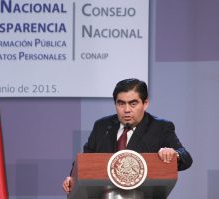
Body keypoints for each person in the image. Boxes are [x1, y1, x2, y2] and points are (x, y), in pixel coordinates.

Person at [62, 78, 193, 193]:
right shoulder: (102, 126)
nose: (126, 110)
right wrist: (72, 178)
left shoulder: (161, 127)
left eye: (133, 103)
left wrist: (174, 154)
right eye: (121, 103)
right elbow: (85, 159)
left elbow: (186, 157)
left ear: (145, 103)